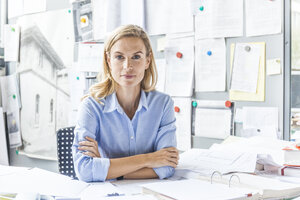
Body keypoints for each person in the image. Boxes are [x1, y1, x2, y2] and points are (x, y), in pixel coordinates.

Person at [72, 24, 179, 182]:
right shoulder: (91, 106)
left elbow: (167, 167)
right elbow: (85, 171)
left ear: (147, 61)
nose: (127, 66)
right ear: (109, 60)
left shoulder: (163, 104)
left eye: (136, 57)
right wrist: (149, 159)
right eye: (119, 57)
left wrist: (108, 168)